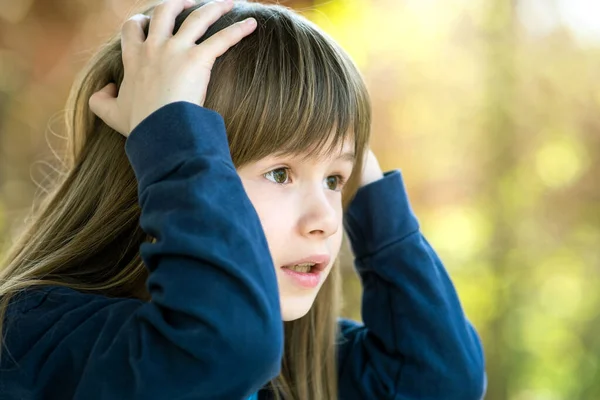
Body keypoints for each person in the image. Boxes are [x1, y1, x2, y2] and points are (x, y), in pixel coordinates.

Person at [0, 0, 486, 399]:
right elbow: (221, 348)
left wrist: (371, 191)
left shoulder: (286, 365)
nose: (324, 221)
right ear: (156, 166)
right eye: (280, 172)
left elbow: (439, 382)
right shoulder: (35, 338)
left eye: (335, 181)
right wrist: (169, 126)